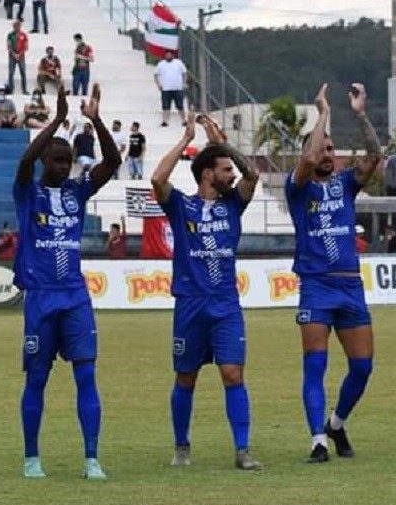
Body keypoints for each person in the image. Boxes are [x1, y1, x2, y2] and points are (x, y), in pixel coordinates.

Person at [13, 84, 121, 479]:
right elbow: (24, 162)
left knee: (86, 375)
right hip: (41, 298)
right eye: (56, 160)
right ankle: (31, 458)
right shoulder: (28, 193)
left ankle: (92, 458)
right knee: (37, 378)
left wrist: (94, 120)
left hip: (75, 297)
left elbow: (112, 161)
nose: (63, 166)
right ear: (45, 159)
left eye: (68, 161)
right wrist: (57, 120)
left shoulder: (78, 191)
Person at [151, 112, 264, 471]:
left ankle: (243, 450)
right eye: (225, 169)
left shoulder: (234, 203)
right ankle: (182, 447)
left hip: (226, 305)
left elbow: (254, 174)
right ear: (207, 174)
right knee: (186, 377)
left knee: (233, 374)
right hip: (190, 304)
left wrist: (221, 143)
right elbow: (157, 178)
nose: (232, 175)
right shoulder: (182, 205)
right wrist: (186, 140)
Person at [284, 83, 383, 464]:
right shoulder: (299, 187)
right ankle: (317, 441)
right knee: (316, 364)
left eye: (331, 148)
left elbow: (374, 156)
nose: (328, 153)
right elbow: (307, 160)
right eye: (323, 147)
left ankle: (336, 424)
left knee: (362, 366)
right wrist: (323, 112)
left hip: (349, 287)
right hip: (315, 286)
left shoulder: (344, 186)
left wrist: (359, 114)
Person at [154, 51, 187, 127]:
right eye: (166, 55)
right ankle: (165, 121)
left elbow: (184, 73)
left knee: (180, 106)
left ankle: (184, 121)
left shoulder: (178, 63)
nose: (168, 56)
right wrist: (158, 84)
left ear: (172, 55)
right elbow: (155, 75)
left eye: (169, 55)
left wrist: (184, 83)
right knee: (165, 106)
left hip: (177, 88)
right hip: (166, 89)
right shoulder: (161, 64)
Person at [6, 20, 28, 94]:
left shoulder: (24, 35)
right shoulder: (10, 35)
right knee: (11, 73)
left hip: (21, 56)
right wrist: (14, 54)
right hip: (12, 56)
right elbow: (9, 46)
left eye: (18, 26)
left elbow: (26, 47)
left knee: (23, 72)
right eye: (15, 26)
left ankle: (24, 89)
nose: (17, 27)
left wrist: (19, 54)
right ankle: (11, 89)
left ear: (20, 26)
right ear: (13, 26)